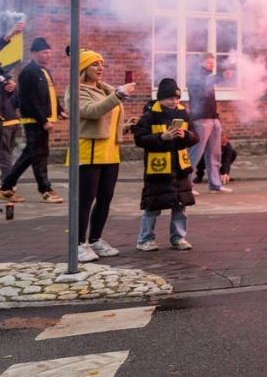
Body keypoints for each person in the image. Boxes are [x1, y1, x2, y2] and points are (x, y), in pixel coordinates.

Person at [73, 49, 136, 262]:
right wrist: (117, 95)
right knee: (85, 199)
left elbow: (107, 120)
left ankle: (95, 239)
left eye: (102, 64)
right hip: (89, 152)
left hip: (110, 152)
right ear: (83, 68)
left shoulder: (103, 90)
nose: (100, 68)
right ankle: (79, 243)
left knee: (105, 199)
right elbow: (91, 111)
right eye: (94, 64)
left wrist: (127, 127)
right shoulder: (77, 90)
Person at [133, 78, 199, 251]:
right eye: (170, 98)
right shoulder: (150, 115)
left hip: (180, 168)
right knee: (152, 205)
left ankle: (178, 238)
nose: (174, 102)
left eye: (177, 98)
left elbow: (195, 137)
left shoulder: (183, 113)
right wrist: (161, 137)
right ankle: (145, 239)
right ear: (160, 98)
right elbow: (139, 139)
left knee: (180, 205)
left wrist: (184, 135)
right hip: (158, 168)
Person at [0, 37, 63, 203]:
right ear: (34, 53)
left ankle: (7, 186)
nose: (48, 55)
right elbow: (29, 100)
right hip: (33, 120)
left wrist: (59, 110)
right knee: (37, 153)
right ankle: (45, 189)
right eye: (44, 53)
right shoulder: (28, 72)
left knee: (33, 153)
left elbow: (50, 95)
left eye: (49, 52)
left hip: (44, 118)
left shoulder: (45, 71)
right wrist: (43, 120)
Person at [187, 53, 233, 192]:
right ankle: (186, 184)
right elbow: (205, 84)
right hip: (201, 118)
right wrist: (221, 76)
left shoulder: (207, 76)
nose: (211, 65)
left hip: (213, 117)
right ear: (201, 62)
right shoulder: (196, 76)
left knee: (215, 153)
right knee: (195, 153)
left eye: (212, 63)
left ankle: (215, 183)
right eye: (209, 62)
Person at [0, 67, 18, 181]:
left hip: (5, 121)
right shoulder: (6, 78)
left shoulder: (5, 80)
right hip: (10, 119)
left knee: (4, 153)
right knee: (6, 153)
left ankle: (7, 184)